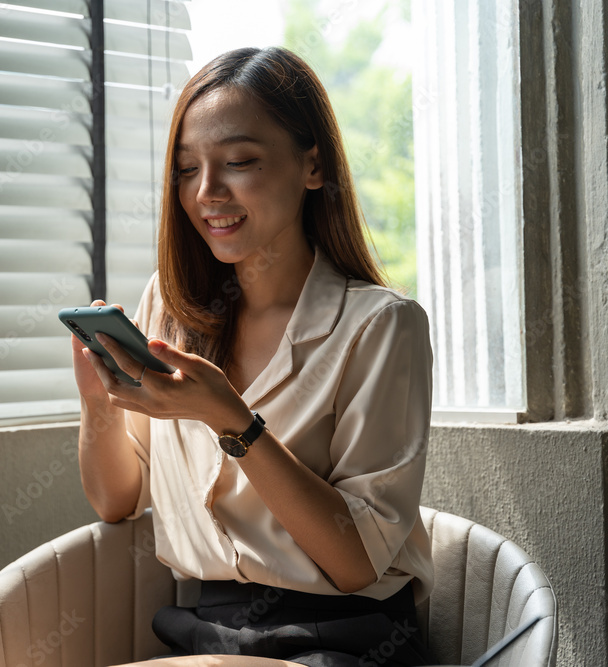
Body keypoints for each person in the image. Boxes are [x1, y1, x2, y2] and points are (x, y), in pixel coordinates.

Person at [71, 47, 436, 667]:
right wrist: (95, 397)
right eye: (187, 169)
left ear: (312, 165)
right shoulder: (170, 307)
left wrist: (232, 420)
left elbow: (354, 563)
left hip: (344, 640)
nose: (207, 192)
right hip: (207, 632)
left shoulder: (381, 327)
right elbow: (116, 501)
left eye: (239, 161)